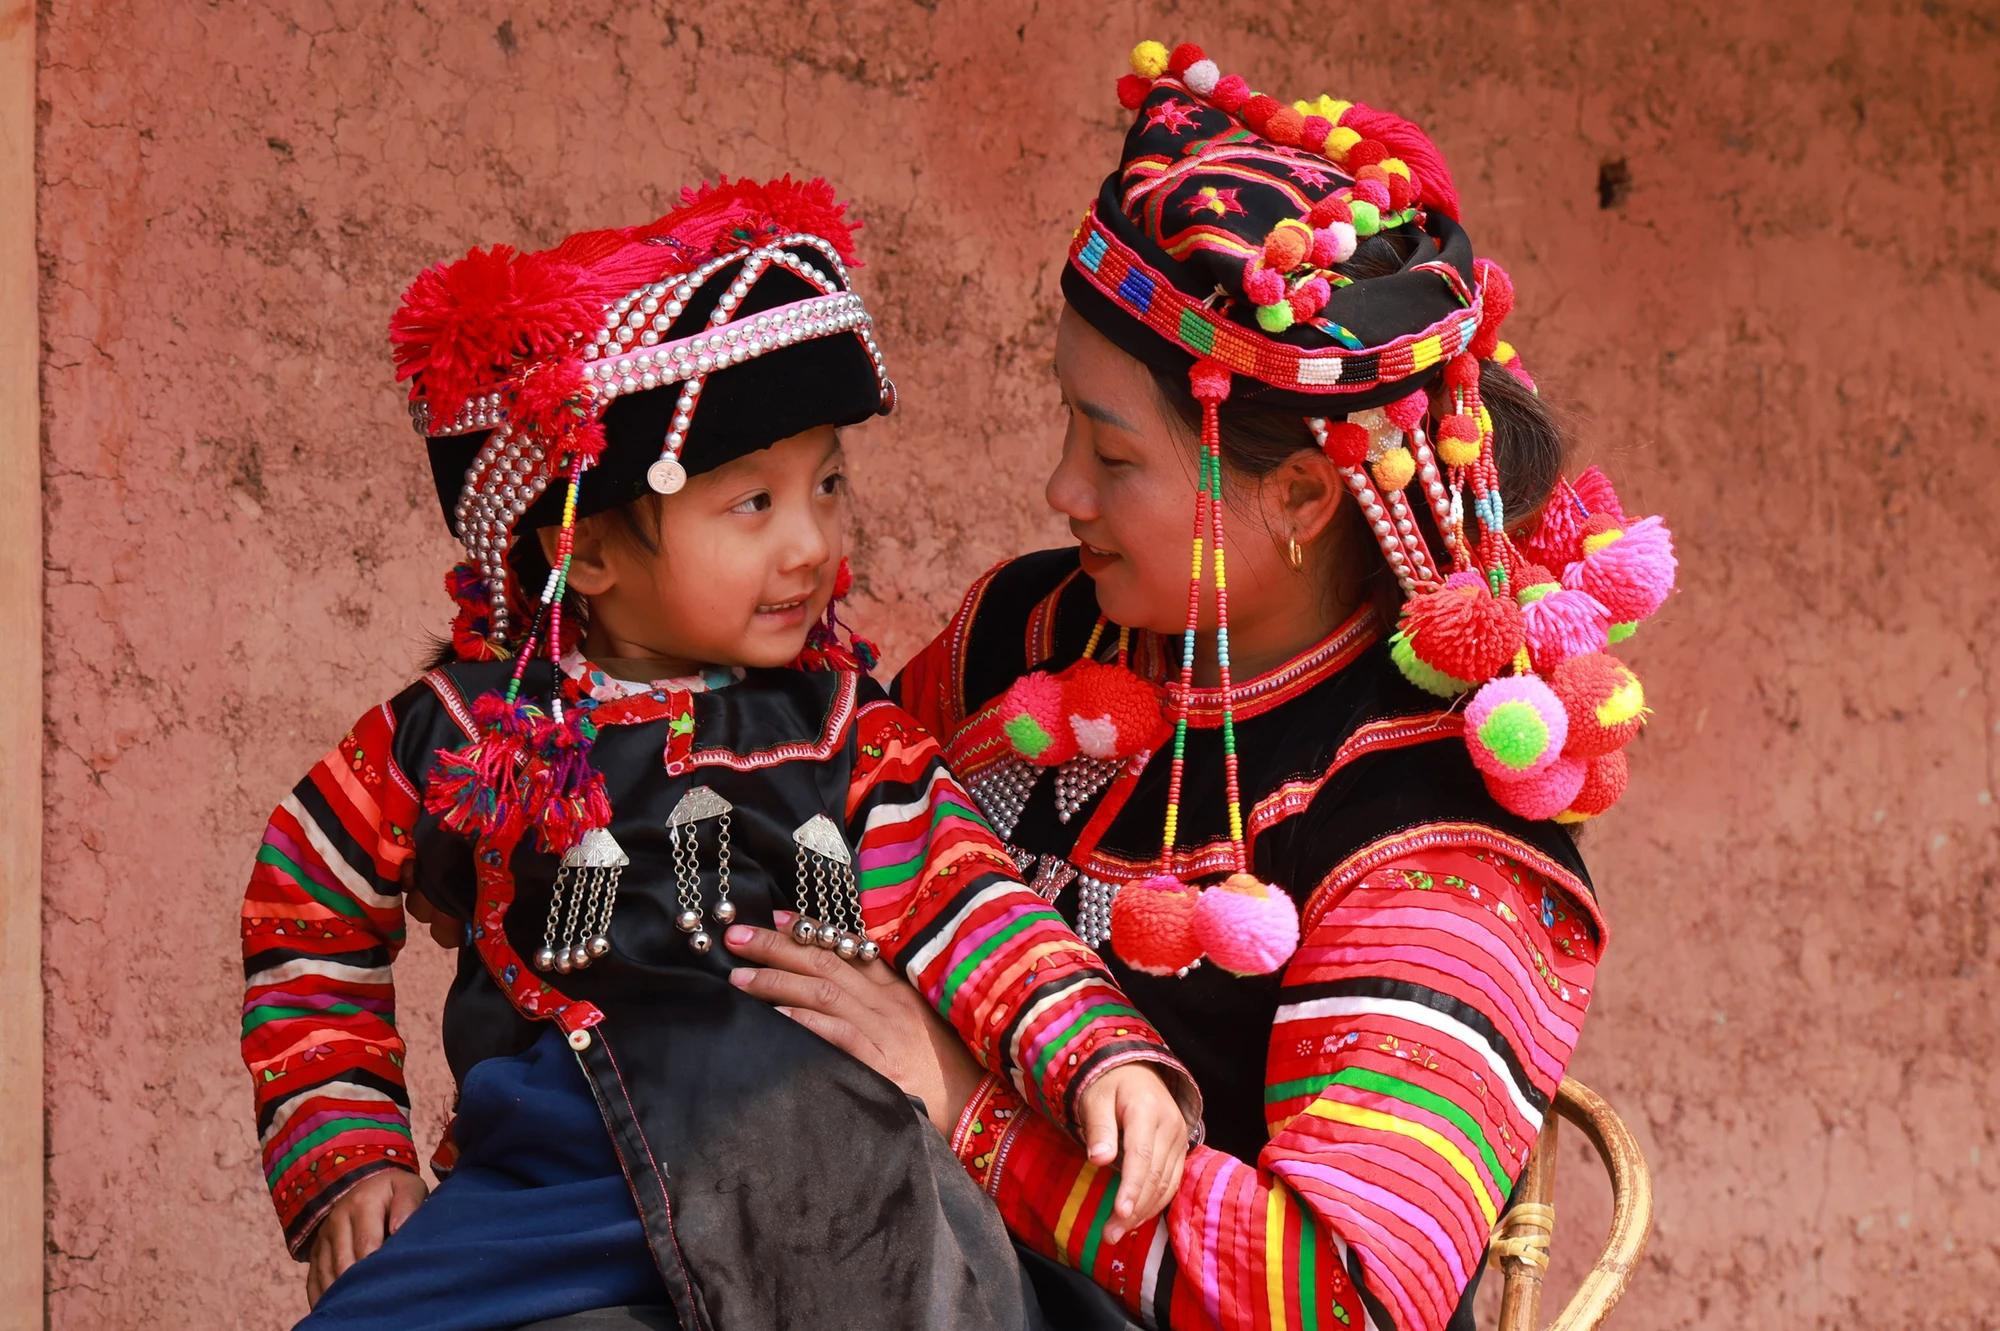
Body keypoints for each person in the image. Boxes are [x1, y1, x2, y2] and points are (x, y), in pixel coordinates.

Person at [722, 41, 1676, 1331]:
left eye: (1112, 456)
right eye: (1067, 425)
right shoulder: (1035, 626)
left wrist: (967, 1105)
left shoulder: (1437, 829)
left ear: (1295, 495)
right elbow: (839, 817)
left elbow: (1342, 1296)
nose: (1064, 493)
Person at [239, 174, 1198, 1331]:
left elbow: (970, 901)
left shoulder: (853, 732)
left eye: (828, 484)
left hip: (834, 1199)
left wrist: (1096, 1056)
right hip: (552, 1203)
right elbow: (304, 907)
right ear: (584, 553)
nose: (811, 543)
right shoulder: (462, 732)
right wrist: (346, 1151)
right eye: (752, 503)